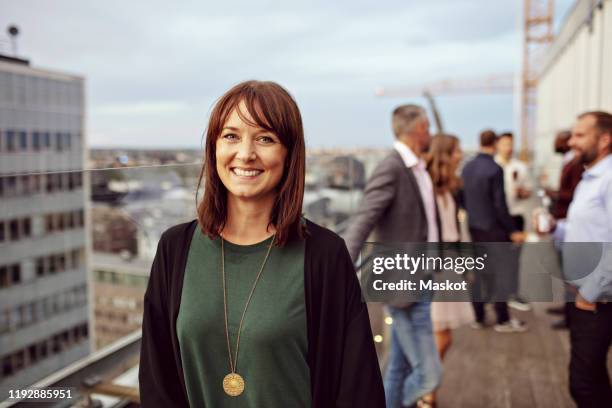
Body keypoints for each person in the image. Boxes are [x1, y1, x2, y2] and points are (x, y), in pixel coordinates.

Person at [138, 80, 385, 408]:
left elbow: (357, 388)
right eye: (231, 136)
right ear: (214, 148)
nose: (245, 154)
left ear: (289, 154)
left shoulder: (325, 255)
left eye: (265, 138)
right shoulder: (175, 248)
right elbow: (158, 380)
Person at [343, 105, 442, 408]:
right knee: (429, 376)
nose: (431, 132)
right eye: (428, 126)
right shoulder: (392, 166)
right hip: (404, 285)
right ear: (419, 128)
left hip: (421, 279)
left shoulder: (416, 167)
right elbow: (364, 218)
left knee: (398, 367)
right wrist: (341, 268)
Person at [543, 111, 612, 407]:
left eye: (580, 135)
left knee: (583, 384)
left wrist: (591, 290)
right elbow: (587, 229)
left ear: (605, 139)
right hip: (582, 291)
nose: (571, 141)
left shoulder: (608, 179)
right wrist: (555, 227)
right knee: (592, 377)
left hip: (596, 297)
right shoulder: (589, 177)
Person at [422, 134, 475, 407]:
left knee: (441, 335)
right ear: (445, 154)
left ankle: (428, 391)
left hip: (449, 262)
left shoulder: (448, 189)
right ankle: (426, 392)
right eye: (457, 151)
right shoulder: (428, 187)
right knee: (440, 336)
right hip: (437, 267)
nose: (460, 155)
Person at [461, 129, 527, 333]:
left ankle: (479, 317)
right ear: (496, 143)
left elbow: (461, 197)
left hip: (475, 227)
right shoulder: (494, 168)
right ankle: (502, 319)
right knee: (501, 275)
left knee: (479, 273)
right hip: (494, 229)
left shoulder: (467, 167)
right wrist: (512, 230)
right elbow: (499, 205)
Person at [545, 130, 584, 329]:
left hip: (568, 223)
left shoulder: (576, 164)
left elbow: (576, 192)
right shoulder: (571, 161)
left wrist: (556, 193)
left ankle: (570, 316)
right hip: (563, 223)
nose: (567, 141)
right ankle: (567, 309)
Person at [494, 132, 533, 312]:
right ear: (497, 145)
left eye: (510, 144)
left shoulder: (520, 167)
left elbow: (529, 190)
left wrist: (522, 192)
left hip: (515, 215)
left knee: (515, 258)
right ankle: (497, 294)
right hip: (498, 218)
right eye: (504, 144)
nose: (508, 148)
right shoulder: (492, 166)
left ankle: (512, 292)